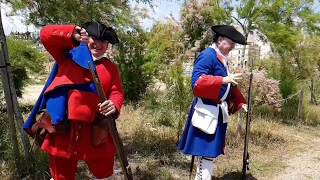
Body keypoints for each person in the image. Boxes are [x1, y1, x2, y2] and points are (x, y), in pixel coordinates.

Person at [24, 22, 124, 180]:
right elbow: (45, 34)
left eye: (104, 41)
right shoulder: (66, 56)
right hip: (63, 128)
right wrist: (72, 32)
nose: (98, 44)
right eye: (94, 38)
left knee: (104, 173)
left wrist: (114, 104)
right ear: (85, 39)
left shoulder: (110, 67)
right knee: (61, 176)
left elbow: (117, 92)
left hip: (96, 128)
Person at [178, 25, 248, 180]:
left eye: (233, 44)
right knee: (206, 152)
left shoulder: (221, 59)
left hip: (216, 111)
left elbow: (229, 86)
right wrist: (223, 79)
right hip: (206, 111)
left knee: (208, 154)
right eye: (230, 43)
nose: (233, 46)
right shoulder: (208, 55)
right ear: (220, 40)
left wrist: (240, 102)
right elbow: (197, 83)